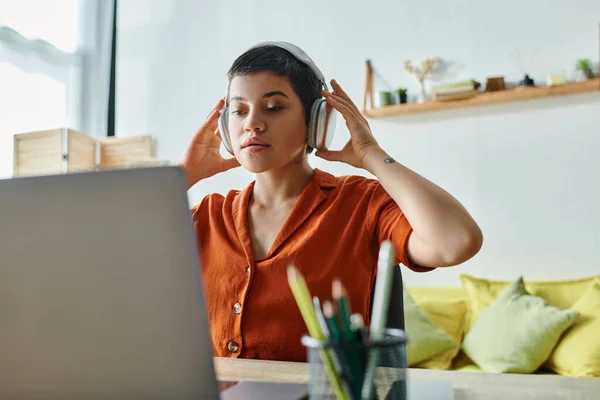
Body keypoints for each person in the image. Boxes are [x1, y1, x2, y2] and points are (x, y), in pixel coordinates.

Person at [181, 42, 483, 362]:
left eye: (273, 107)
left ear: (317, 121)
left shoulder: (361, 205)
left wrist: (371, 155)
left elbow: (456, 241)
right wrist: (181, 176)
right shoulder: (207, 215)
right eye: (240, 110)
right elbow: (123, 268)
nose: (251, 123)